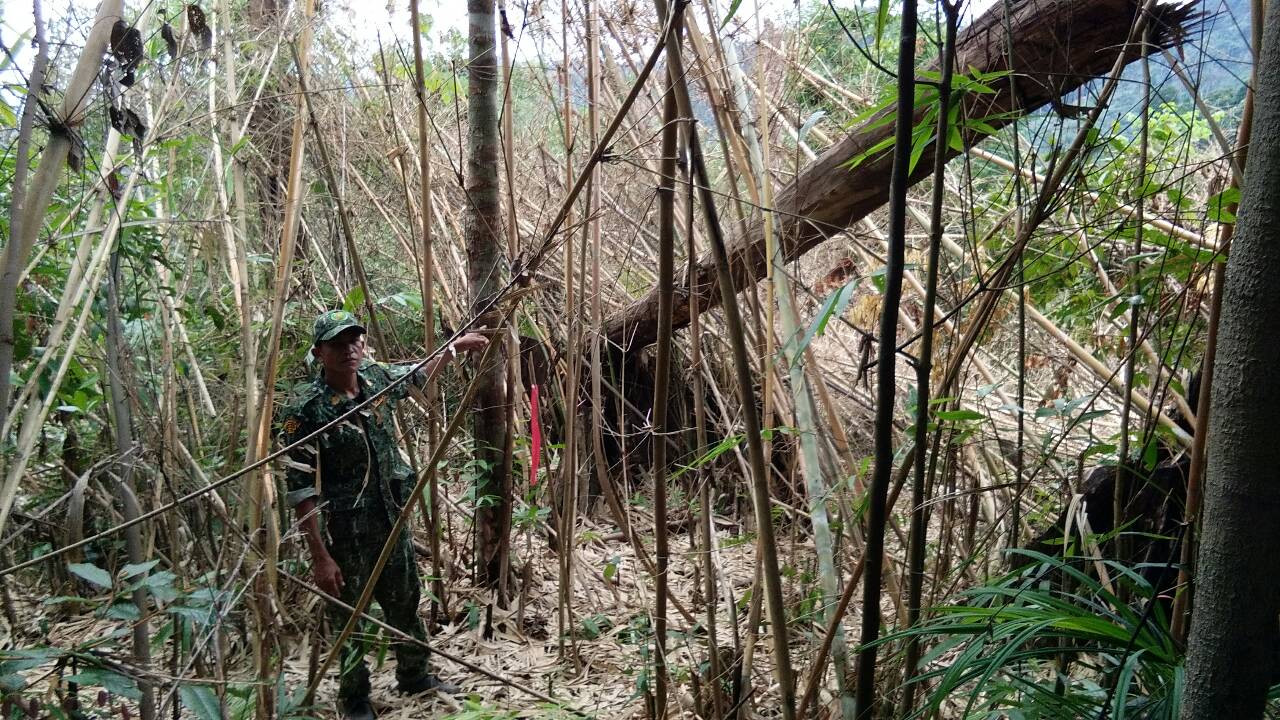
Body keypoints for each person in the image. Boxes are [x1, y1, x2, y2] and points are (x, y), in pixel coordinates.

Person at [277, 310, 487, 719]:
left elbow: (415, 374)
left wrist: (455, 347)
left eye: (354, 341)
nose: (349, 350)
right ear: (319, 353)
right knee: (350, 616)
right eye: (338, 344)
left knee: (405, 599)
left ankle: (415, 674)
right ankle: (355, 698)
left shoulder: (375, 379)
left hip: (391, 517)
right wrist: (320, 556)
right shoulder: (305, 410)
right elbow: (300, 487)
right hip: (344, 531)